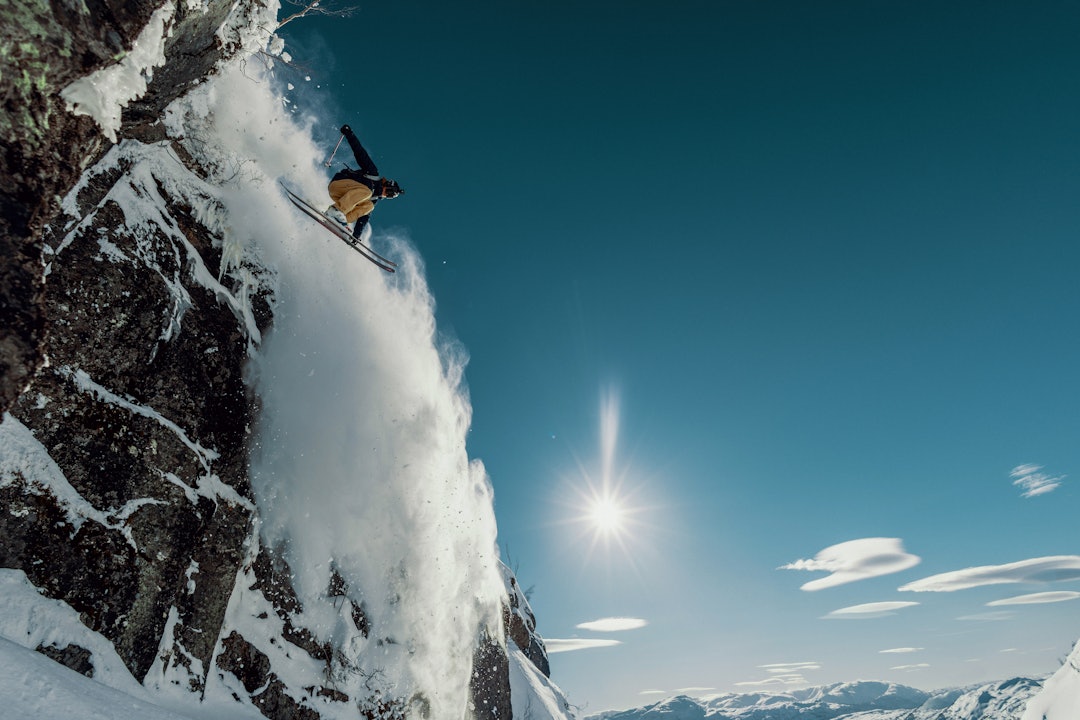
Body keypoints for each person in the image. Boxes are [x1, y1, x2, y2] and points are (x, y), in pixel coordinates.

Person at [326, 124, 403, 240]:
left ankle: (339, 221)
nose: (386, 195)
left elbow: (362, 220)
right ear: (387, 185)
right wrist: (349, 134)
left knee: (369, 206)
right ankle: (336, 211)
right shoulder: (373, 174)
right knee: (367, 192)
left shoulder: (373, 200)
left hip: (342, 198)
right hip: (339, 184)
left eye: (390, 196)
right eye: (389, 192)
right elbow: (360, 154)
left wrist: (356, 236)